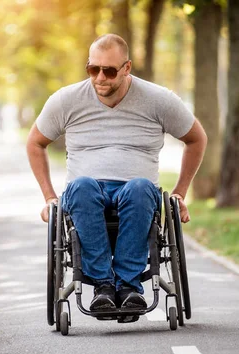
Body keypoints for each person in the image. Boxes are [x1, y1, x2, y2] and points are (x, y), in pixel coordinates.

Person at [26, 34, 207, 319]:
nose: (100, 77)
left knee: (139, 187)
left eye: (109, 71)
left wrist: (180, 192)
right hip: (86, 191)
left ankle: (129, 287)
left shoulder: (158, 99)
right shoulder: (66, 100)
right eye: (92, 69)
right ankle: (103, 287)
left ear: (127, 68)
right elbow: (35, 142)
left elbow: (196, 138)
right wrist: (49, 197)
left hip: (137, 192)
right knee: (82, 185)